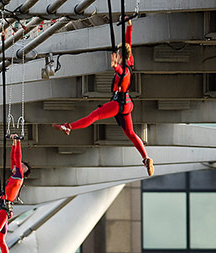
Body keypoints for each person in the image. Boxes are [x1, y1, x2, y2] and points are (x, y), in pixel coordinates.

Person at [52, 18, 154, 176]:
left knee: (94, 116)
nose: (117, 56)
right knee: (131, 133)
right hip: (126, 103)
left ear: (120, 56)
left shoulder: (124, 68)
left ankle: (69, 126)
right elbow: (128, 43)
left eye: (118, 55)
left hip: (118, 102)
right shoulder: (130, 60)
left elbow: (122, 72)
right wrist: (129, 26)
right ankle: (145, 157)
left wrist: (115, 66)